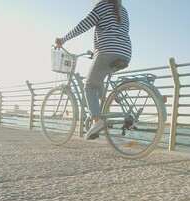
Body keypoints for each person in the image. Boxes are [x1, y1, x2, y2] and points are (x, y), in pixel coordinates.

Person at [55, 0, 132, 140]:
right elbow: (117, 31)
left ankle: (97, 121)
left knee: (89, 86)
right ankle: (105, 112)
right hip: (125, 52)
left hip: (107, 51)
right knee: (99, 80)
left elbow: (83, 25)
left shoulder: (102, 6)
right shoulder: (123, 10)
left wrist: (63, 39)